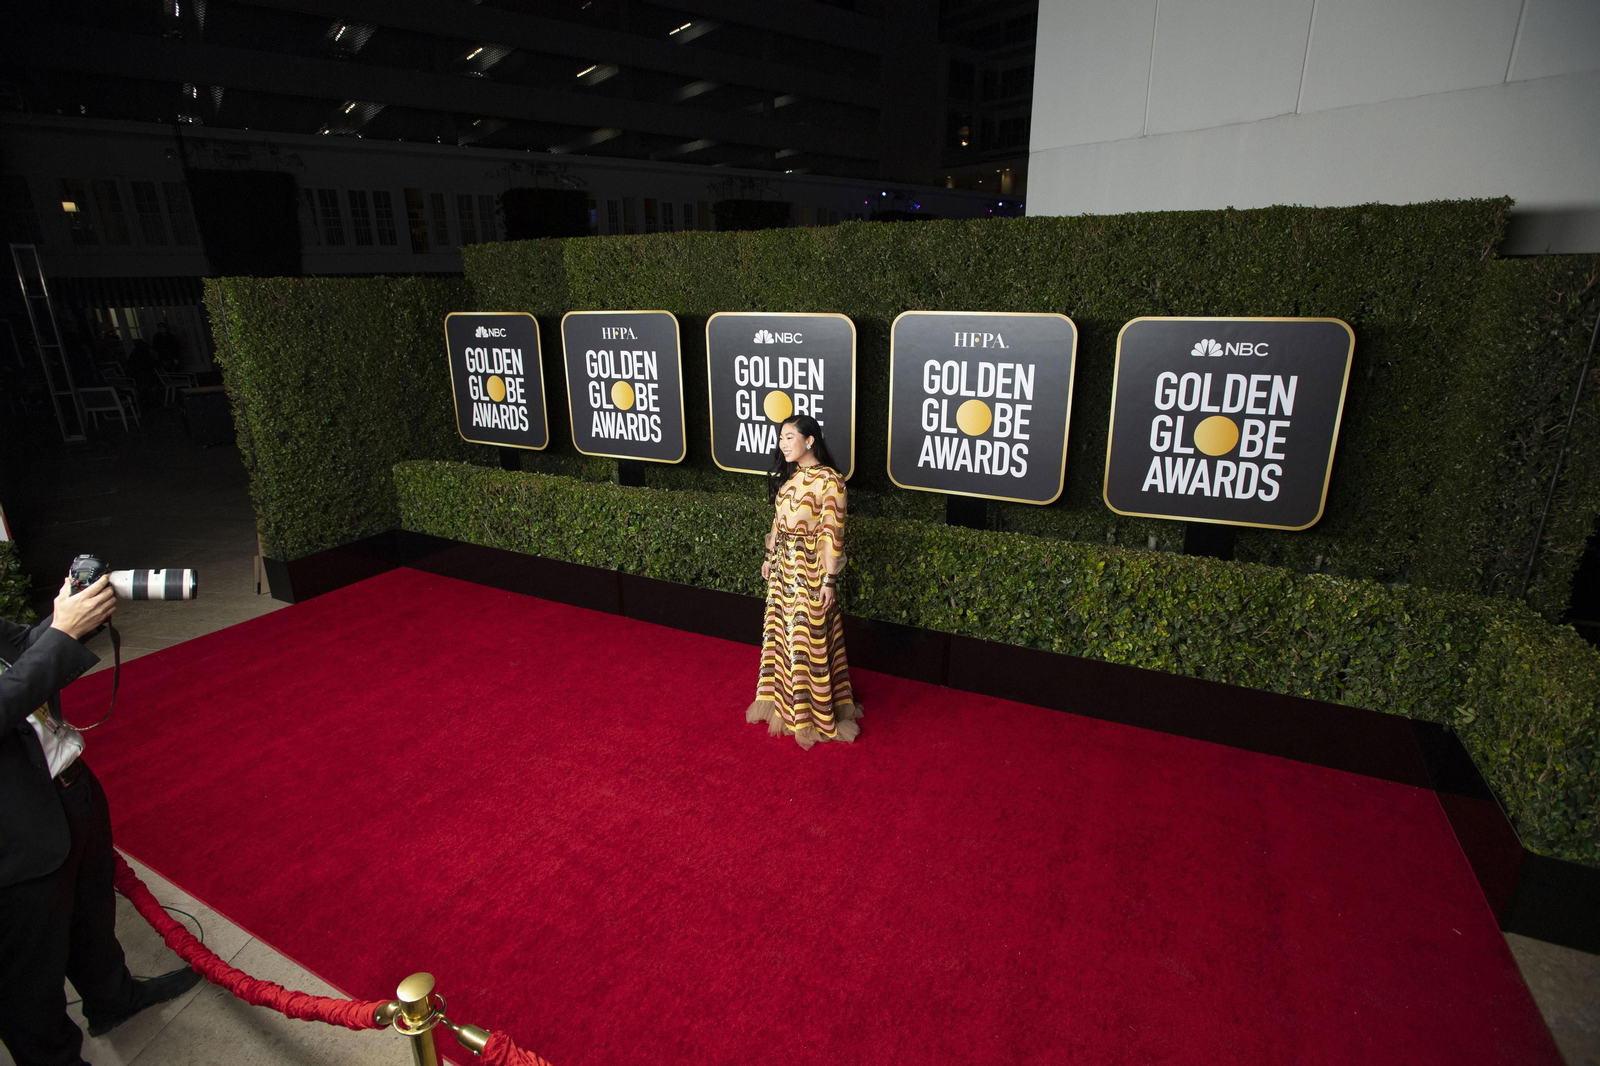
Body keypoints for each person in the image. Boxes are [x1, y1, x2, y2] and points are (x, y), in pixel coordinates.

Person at [0, 574, 199, 1066]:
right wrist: (63, 635)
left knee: (91, 909)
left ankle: (113, 998)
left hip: (67, 785)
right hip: (13, 826)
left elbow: (24, 646)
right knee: (28, 979)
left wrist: (73, 613)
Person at [747, 415, 862, 749]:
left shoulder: (830, 481)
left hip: (811, 572)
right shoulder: (792, 477)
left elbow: (833, 534)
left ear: (810, 441)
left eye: (789, 437)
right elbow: (778, 522)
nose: (783, 444)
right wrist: (770, 558)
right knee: (782, 637)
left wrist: (828, 580)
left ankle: (813, 714)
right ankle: (787, 706)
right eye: (780, 438)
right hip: (784, 572)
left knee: (807, 639)